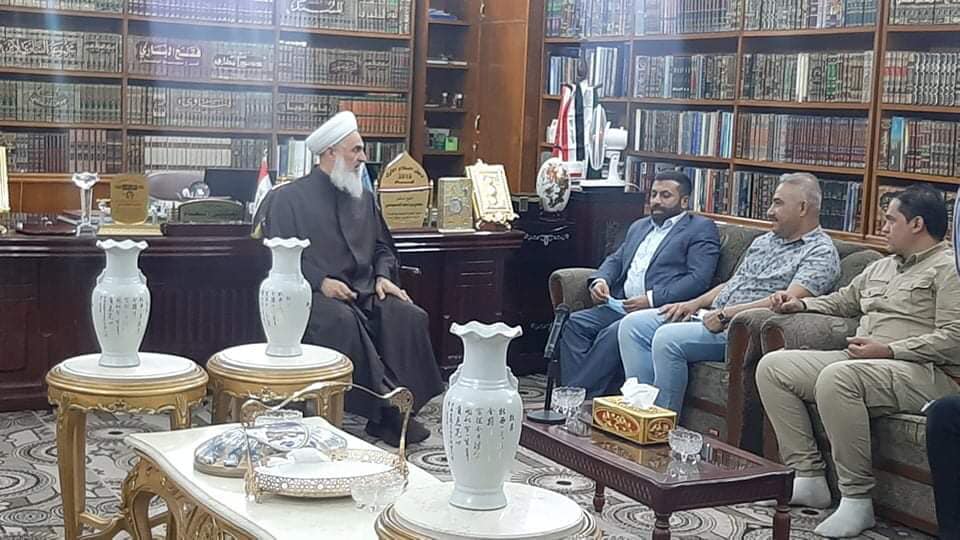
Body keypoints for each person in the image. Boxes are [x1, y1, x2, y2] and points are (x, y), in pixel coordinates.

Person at [757, 184, 960, 538]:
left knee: (838, 378)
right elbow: (844, 301)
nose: (883, 227)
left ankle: (856, 499)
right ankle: (808, 476)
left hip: (923, 371)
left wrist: (889, 350)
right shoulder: (881, 266)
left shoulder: (949, 269)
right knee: (774, 367)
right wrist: (801, 304)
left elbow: (954, 338)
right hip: (864, 361)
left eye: (890, 220)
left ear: (917, 224)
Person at [258, 111, 444, 446]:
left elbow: (383, 248)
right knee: (342, 321)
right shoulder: (287, 199)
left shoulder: (363, 197)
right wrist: (321, 282)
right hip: (311, 295)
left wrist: (383, 276)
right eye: (355, 150)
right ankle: (386, 410)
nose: (363, 158)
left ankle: (404, 404)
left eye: (362, 149)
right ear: (330, 153)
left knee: (408, 315)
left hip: (366, 290)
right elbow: (279, 255)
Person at [617, 172, 840, 414]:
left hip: (741, 329)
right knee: (633, 325)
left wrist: (727, 314)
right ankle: (638, 412)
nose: (769, 211)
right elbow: (733, 284)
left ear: (803, 208)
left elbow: (787, 301)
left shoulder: (820, 252)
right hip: (710, 315)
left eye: (777, 203)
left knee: (666, 339)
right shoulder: (765, 241)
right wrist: (693, 303)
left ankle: (661, 423)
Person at [559, 171, 721, 397]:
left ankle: (574, 396)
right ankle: (580, 397)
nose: (656, 201)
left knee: (613, 333)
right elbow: (616, 260)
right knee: (574, 324)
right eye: (653, 194)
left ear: (684, 201)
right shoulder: (640, 226)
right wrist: (601, 280)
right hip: (620, 305)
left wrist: (651, 299)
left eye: (665, 195)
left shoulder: (700, 228)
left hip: (660, 311)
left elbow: (699, 279)